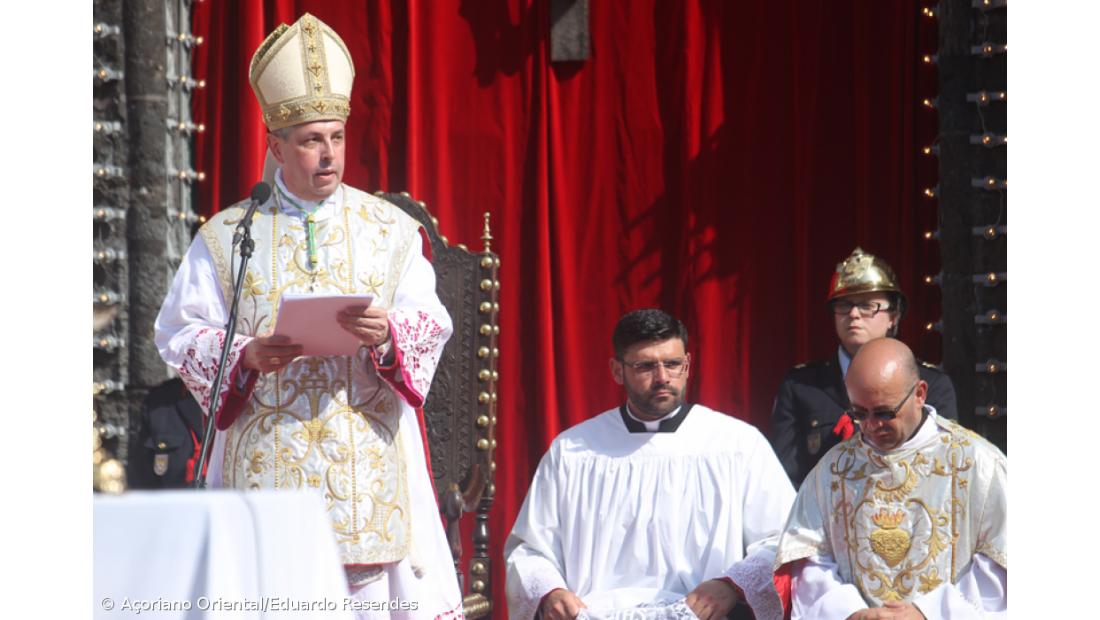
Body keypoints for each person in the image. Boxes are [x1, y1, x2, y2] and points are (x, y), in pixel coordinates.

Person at [154, 14, 462, 619]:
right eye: (310, 140)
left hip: (362, 465)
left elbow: (431, 321)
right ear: (275, 145)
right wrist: (244, 354)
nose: (328, 155)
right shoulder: (228, 235)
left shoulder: (391, 231)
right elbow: (179, 332)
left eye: (337, 137)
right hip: (268, 458)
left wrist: (390, 335)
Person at [505, 309, 796, 620]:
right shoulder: (574, 450)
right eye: (645, 366)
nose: (662, 378)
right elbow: (530, 549)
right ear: (617, 371)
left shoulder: (736, 444)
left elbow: (783, 539)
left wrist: (731, 586)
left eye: (672, 364)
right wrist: (552, 592)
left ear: (688, 364)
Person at [773, 338, 1006, 619]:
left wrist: (929, 612)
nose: (871, 426)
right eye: (859, 413)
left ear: (920, 394)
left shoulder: (979, 464)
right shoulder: (833, 470)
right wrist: (849, 610)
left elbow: (1003, 561)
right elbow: (808, 555)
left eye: (885, 413)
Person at [770, 247, 958, 487]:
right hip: (824, 518)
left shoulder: (932, 384)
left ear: (894, 316)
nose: (854, 314)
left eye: (868, 305)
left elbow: (944, 468)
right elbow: (785, 477)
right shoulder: (800, 386)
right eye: (844, 305)